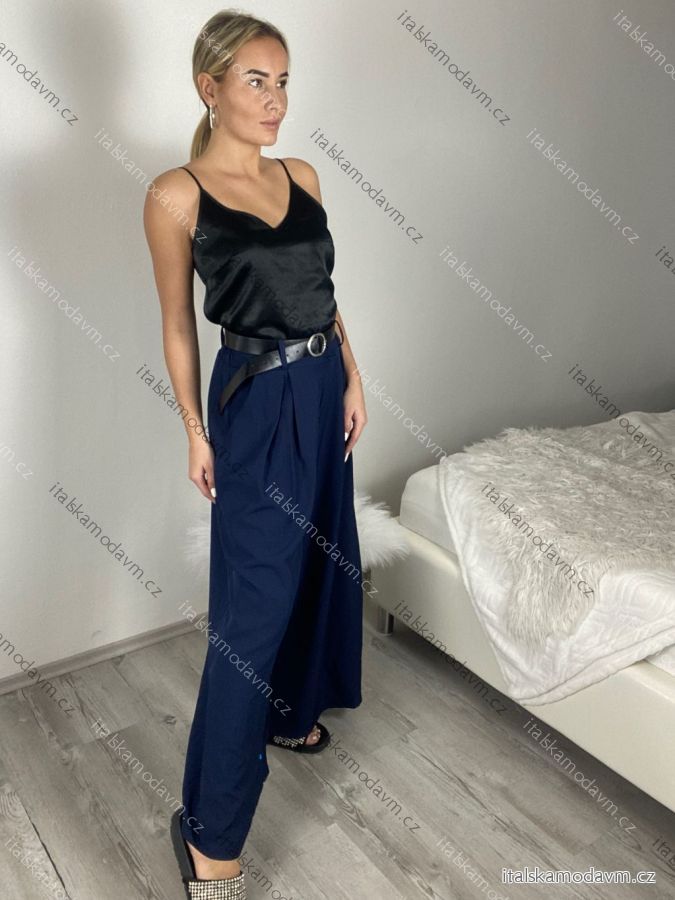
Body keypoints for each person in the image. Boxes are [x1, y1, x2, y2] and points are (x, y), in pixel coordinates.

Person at [143, 9, 367, 899]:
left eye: (282, 82)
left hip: (321, 386)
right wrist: (193, 430)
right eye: (255, 82)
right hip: (255, 400)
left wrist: (352, 375)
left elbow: (322, 290)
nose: (275, 100)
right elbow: (176, 326)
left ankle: (291, 711)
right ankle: (211, 837)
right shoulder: (176, 194)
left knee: (319, 562)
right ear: (210, 87)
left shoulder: (302, 175)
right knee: (250, 616)